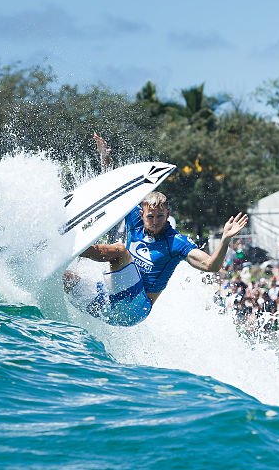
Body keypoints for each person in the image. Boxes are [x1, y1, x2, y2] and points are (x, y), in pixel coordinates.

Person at [63, 133, 249, 326]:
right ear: (142, 214)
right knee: (66, 279)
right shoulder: (134, 217)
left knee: (119, 251)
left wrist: (226, 238)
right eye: (150, 217)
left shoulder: (176, 242)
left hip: (134, 308)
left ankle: (68, 248)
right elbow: (116, 194)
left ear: (167, 214)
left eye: (160, 216)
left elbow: (211, 265)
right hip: (109, 302)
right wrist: (105, 157)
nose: (155, 221)